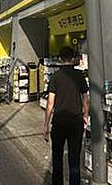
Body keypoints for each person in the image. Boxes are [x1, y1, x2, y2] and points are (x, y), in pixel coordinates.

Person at [43, 47, 89, 185]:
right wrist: (85, 115)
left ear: (60, 59)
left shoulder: (55, 77)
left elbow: (50, 103)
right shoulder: (79, 76)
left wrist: (46, 125)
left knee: (57, 158)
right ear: (73, 59)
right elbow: (85, 99)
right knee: (74, 159)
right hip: (76, 122)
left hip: (59, 123)